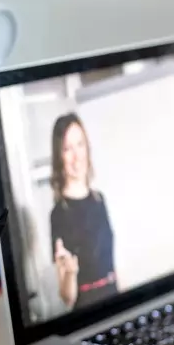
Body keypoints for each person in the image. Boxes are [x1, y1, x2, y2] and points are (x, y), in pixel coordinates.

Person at [48, 113, 118, 310]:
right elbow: (67, 298)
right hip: (89, 309)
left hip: (115, 300)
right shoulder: (58, 214)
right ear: (59, 156)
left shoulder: (99, 200)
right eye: (67, 149)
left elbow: (112, 264)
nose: (76, 156)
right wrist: (70, 272)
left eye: (80, 144)